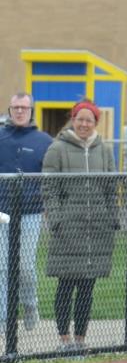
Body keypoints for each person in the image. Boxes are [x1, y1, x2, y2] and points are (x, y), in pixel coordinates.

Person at [41, 100, 118, 353]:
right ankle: (64, 339)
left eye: (89, 120)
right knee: (66, 284)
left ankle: (81, 338)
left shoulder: (104, 150)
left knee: (87, 285)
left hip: (96, 229)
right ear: (73, 120)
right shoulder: (57, 149)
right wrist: (57, 219)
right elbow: (49, 188)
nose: (84, 124)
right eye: (80, 119)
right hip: (68, 229)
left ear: (96, 123)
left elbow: (110, 188)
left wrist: (111, 217)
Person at [0, 92, 52, 334]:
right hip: (2, 213)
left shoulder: (44, 141)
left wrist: (49, 209)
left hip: (31, 213)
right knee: (2, 266)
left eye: (24, 107)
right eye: (15, 107)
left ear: (31, 110)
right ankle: (3, 320)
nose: (20, 111)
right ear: (9, 110)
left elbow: (51, 180)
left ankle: (30, 306)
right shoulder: (1, 138)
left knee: (25, 267)